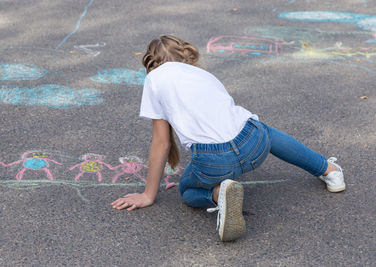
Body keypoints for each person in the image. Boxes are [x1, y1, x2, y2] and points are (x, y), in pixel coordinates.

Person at [111, 35, 345, 242]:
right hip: (253, 143)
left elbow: (162, 143)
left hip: (214, 162)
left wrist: (148, 195)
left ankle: (219, 194)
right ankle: (329, 170)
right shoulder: (203, 74)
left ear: (151, 63)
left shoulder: (155, 79)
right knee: (265, 130)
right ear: (186, 56)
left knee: (187, 191)